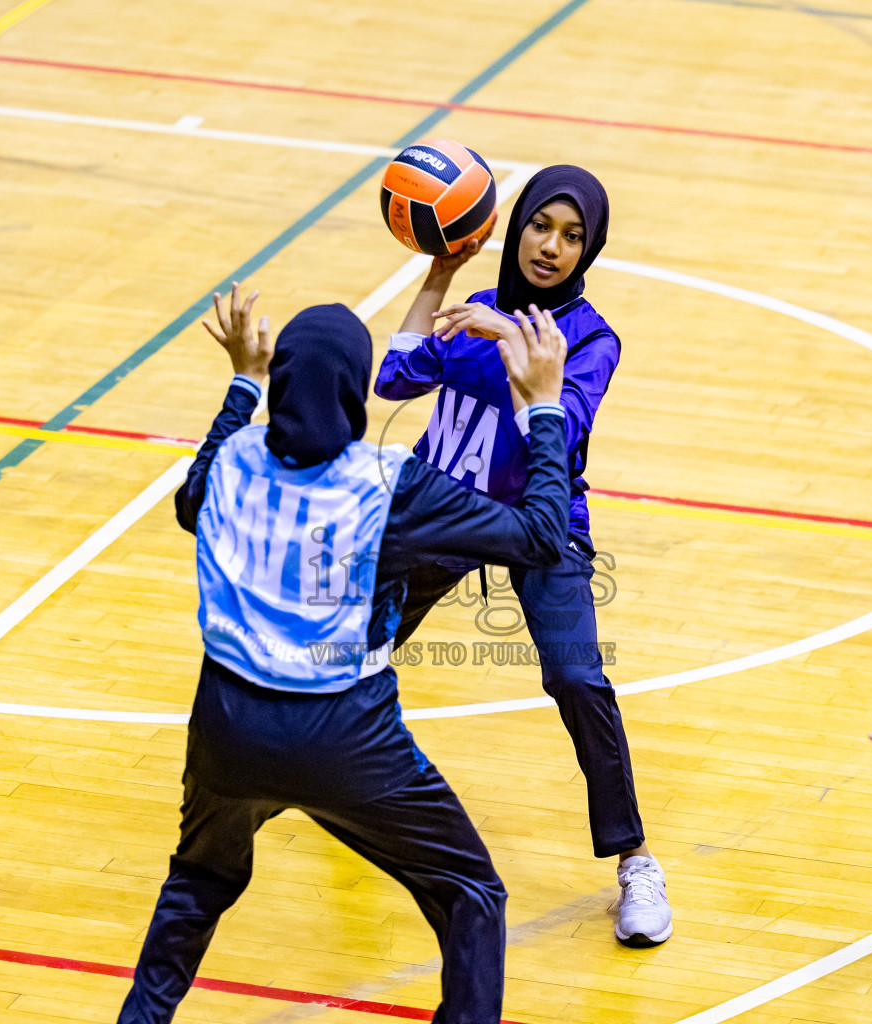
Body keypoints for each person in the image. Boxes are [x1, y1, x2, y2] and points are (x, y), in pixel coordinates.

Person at [116, 284, 572, 1024]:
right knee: (470, 894)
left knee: (199, 881)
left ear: (285, 382)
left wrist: (240, 385)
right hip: (346, 738)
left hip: (226, 731)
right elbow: (543, 535)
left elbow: (188, 502)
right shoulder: (388, 487)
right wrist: (542, 407)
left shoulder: (229, 464)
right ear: (356, 392)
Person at [374, 164, 671, 947]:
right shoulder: (472, 308)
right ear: (516, 227)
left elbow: (561, 430)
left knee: (577, 676)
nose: (552, 246)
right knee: (358, 648)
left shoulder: (593, 338)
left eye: (573, 236)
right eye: (542, 226)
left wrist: (510, 337)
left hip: (542, 520)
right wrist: (438, 276)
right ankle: (343, 785)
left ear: (591, 248)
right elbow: (395, 376)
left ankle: (636, 863)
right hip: (445, 504)